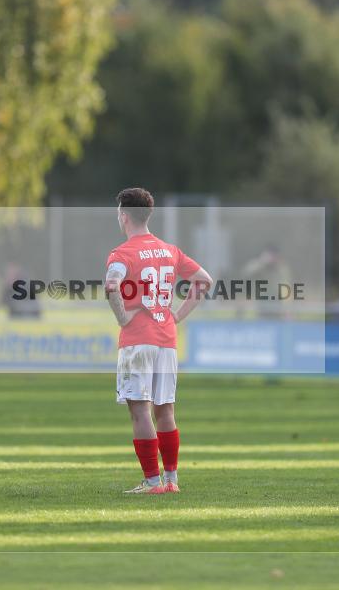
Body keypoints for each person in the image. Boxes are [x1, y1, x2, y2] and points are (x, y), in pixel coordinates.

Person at [105, 188, 212, 494]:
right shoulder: (169, 250)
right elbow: (205, 280)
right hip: (166, 338)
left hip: (138, 340)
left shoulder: (121, 253)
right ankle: (172, 481)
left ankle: (152, 481)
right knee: (165, 409)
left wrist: (123, 318)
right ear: (148, 215)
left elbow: (112, 285)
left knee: (140, 409)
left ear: (124, 216)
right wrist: (177, 315)